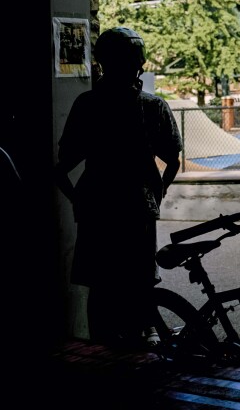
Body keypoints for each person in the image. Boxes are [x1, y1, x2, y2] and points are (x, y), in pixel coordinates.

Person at [53, 27, 181, 348]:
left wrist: (78, 199)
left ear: (101, 63)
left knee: (99, 288)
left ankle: (102, 357)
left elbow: (60, 170)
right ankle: (139, 347)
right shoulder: (153, 107)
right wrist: (156, 194)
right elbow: (173, 161)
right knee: (139, 285)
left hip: (96, 208)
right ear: (140, 64)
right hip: (138, 209)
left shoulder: (87, 105)